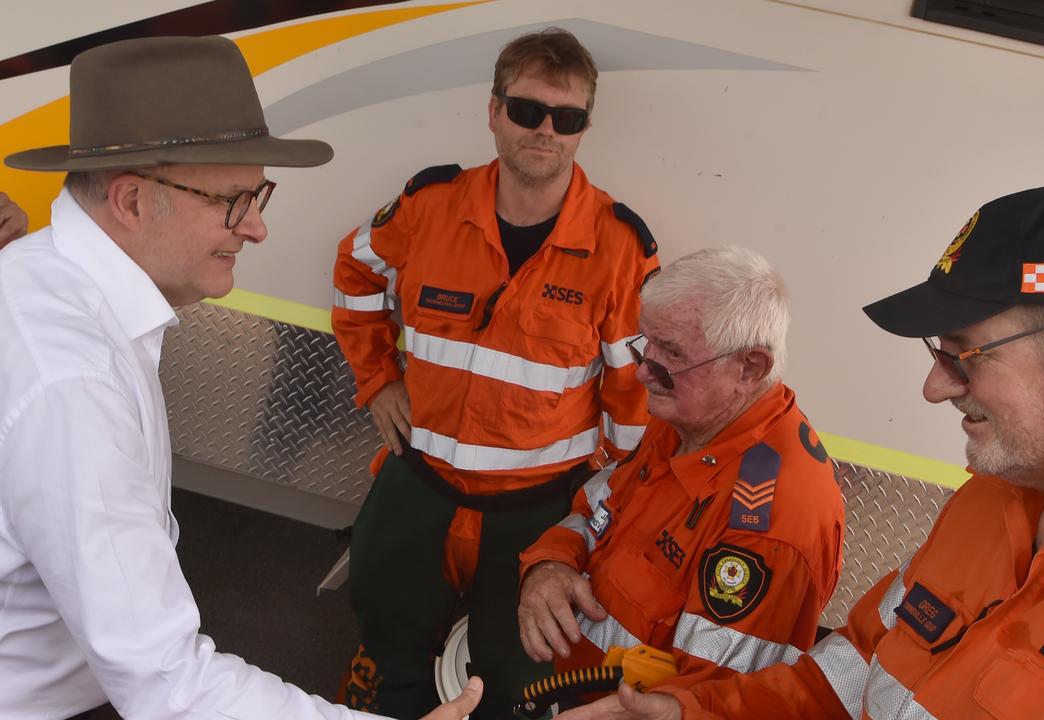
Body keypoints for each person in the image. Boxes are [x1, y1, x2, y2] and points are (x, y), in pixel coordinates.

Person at [559, 182, 1044, 719]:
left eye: (964, 355)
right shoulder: (992, 496)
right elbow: (845, 676)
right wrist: (692, 713)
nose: (937, 389)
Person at [0, 36, 482, 720]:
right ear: (132, 202)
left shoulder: (38, 275)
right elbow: (165, 683)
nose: (256, 228)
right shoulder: (73, 385)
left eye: (260, 195)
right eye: (232, 201)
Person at [331, 27, 660, 719]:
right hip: (418, 481)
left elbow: (634, 402)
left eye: (566, 118)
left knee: (522, 682)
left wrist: (603, 514)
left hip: (536, 509)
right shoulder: (429, 206)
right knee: (384, 650)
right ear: (493, 109)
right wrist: (378, 381)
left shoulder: (620, 248)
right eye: (527, 110)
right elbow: (357, 270)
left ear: (583, 129)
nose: (545, 131)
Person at [516, 246, 845, 694]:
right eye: (645, 344)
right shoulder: (687, 418)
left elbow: (709, 702)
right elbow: (598, 509)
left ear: (749, 367)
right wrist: (550, 563)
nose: (642, 374)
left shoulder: (771, 520)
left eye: (669, 353)